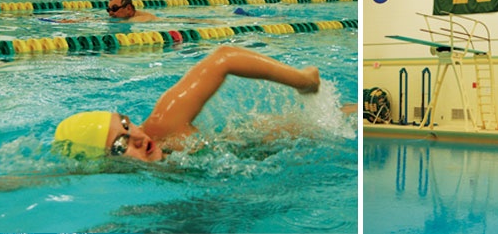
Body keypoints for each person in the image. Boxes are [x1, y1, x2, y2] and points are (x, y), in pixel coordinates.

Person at [53, 45, 320, 162]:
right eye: (120, 144)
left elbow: (224, 58)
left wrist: (304, 81)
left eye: (126, 123)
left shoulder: (163, 127)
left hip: (298, 137)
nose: (136, 135)